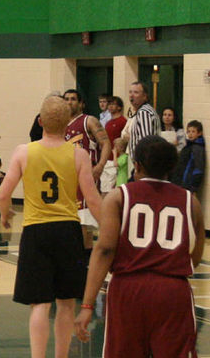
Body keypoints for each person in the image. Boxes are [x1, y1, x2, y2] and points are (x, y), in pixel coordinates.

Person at [74, 135, 205, 357]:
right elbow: (195, 256)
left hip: (128, 289)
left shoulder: (118, 196)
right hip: (173, 290)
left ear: (137, 165)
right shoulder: (190, 201)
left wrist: (87, 305)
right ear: (171, 167)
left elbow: (105, 250)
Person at [0, 96, 101, 358]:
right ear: (68, 124)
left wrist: (6, 214)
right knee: (66, 304)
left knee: (39, 304)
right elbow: (93, 199)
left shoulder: (23, 151)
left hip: (36, 231)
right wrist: (109, 228)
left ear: (40, 121)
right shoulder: (79, 155)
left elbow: (2, 194)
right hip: (67, 231)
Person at [63, 89, 111, 260]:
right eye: (66, 99)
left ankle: (85, 260)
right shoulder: (60, 124)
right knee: (68, 221)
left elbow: (106, 144)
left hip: (85, 178)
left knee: (84, 223)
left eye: (73, 99)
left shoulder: (88, 121)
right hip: (66, 179)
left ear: (81, 103)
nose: (69, 102)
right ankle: (73, 258)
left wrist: (100, 166)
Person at [124, 81, 161, 173]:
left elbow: (146, 141)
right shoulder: (142, 111)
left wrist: (142, 165)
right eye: (130, 92)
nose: (131, 95)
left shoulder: (144, 112)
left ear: (145, 96)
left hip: (143, 165)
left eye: (136, 92)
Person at [100, 96, 127, 194]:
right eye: (109, 104)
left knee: (113, 190)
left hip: (117, 159)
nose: (110, 106)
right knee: (104, 188)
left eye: (113, 104)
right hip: (107, 158)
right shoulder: (108, 123)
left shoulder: (123, 121)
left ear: (119, 107)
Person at [171, 120, 205, 194]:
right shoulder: (188, 146)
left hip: (187, 183)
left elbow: (199, 168)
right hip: (180, 181)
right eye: (188, 131)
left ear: (199, 133)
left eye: (193, 131)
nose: (190, 134)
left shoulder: (197, 148)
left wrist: (194, 187)